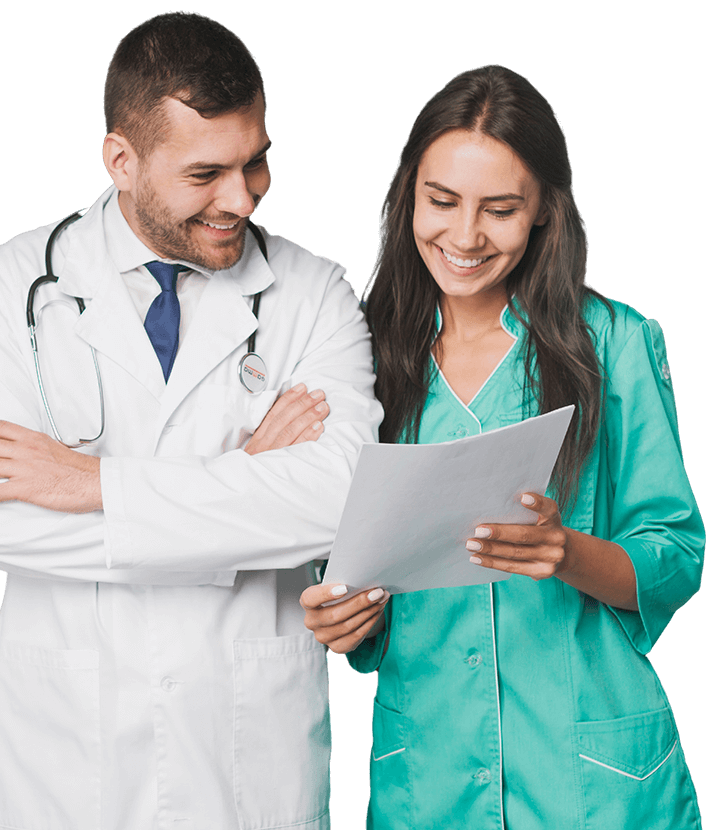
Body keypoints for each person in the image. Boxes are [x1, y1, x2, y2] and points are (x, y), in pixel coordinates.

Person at [0, 12, 381, 830]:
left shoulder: (316, 292)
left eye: (256, 161)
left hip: (248, 763)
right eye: (205, 173)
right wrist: (248, 483)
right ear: (122, 160)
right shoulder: (4, 288)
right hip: (66, 767)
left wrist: (93, 485)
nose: (241, 198)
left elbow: (341, 499)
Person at [300, 65, 704, 828]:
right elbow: (338, 553)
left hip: (591, 783)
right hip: (431, 775)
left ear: (545, 208)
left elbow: (676, 555)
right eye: (441, 201)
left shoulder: (614, 343)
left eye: (501, 210)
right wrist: (345, 615)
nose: (464, 237)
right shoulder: (357, 355)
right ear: (407, 194)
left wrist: (567, 551)